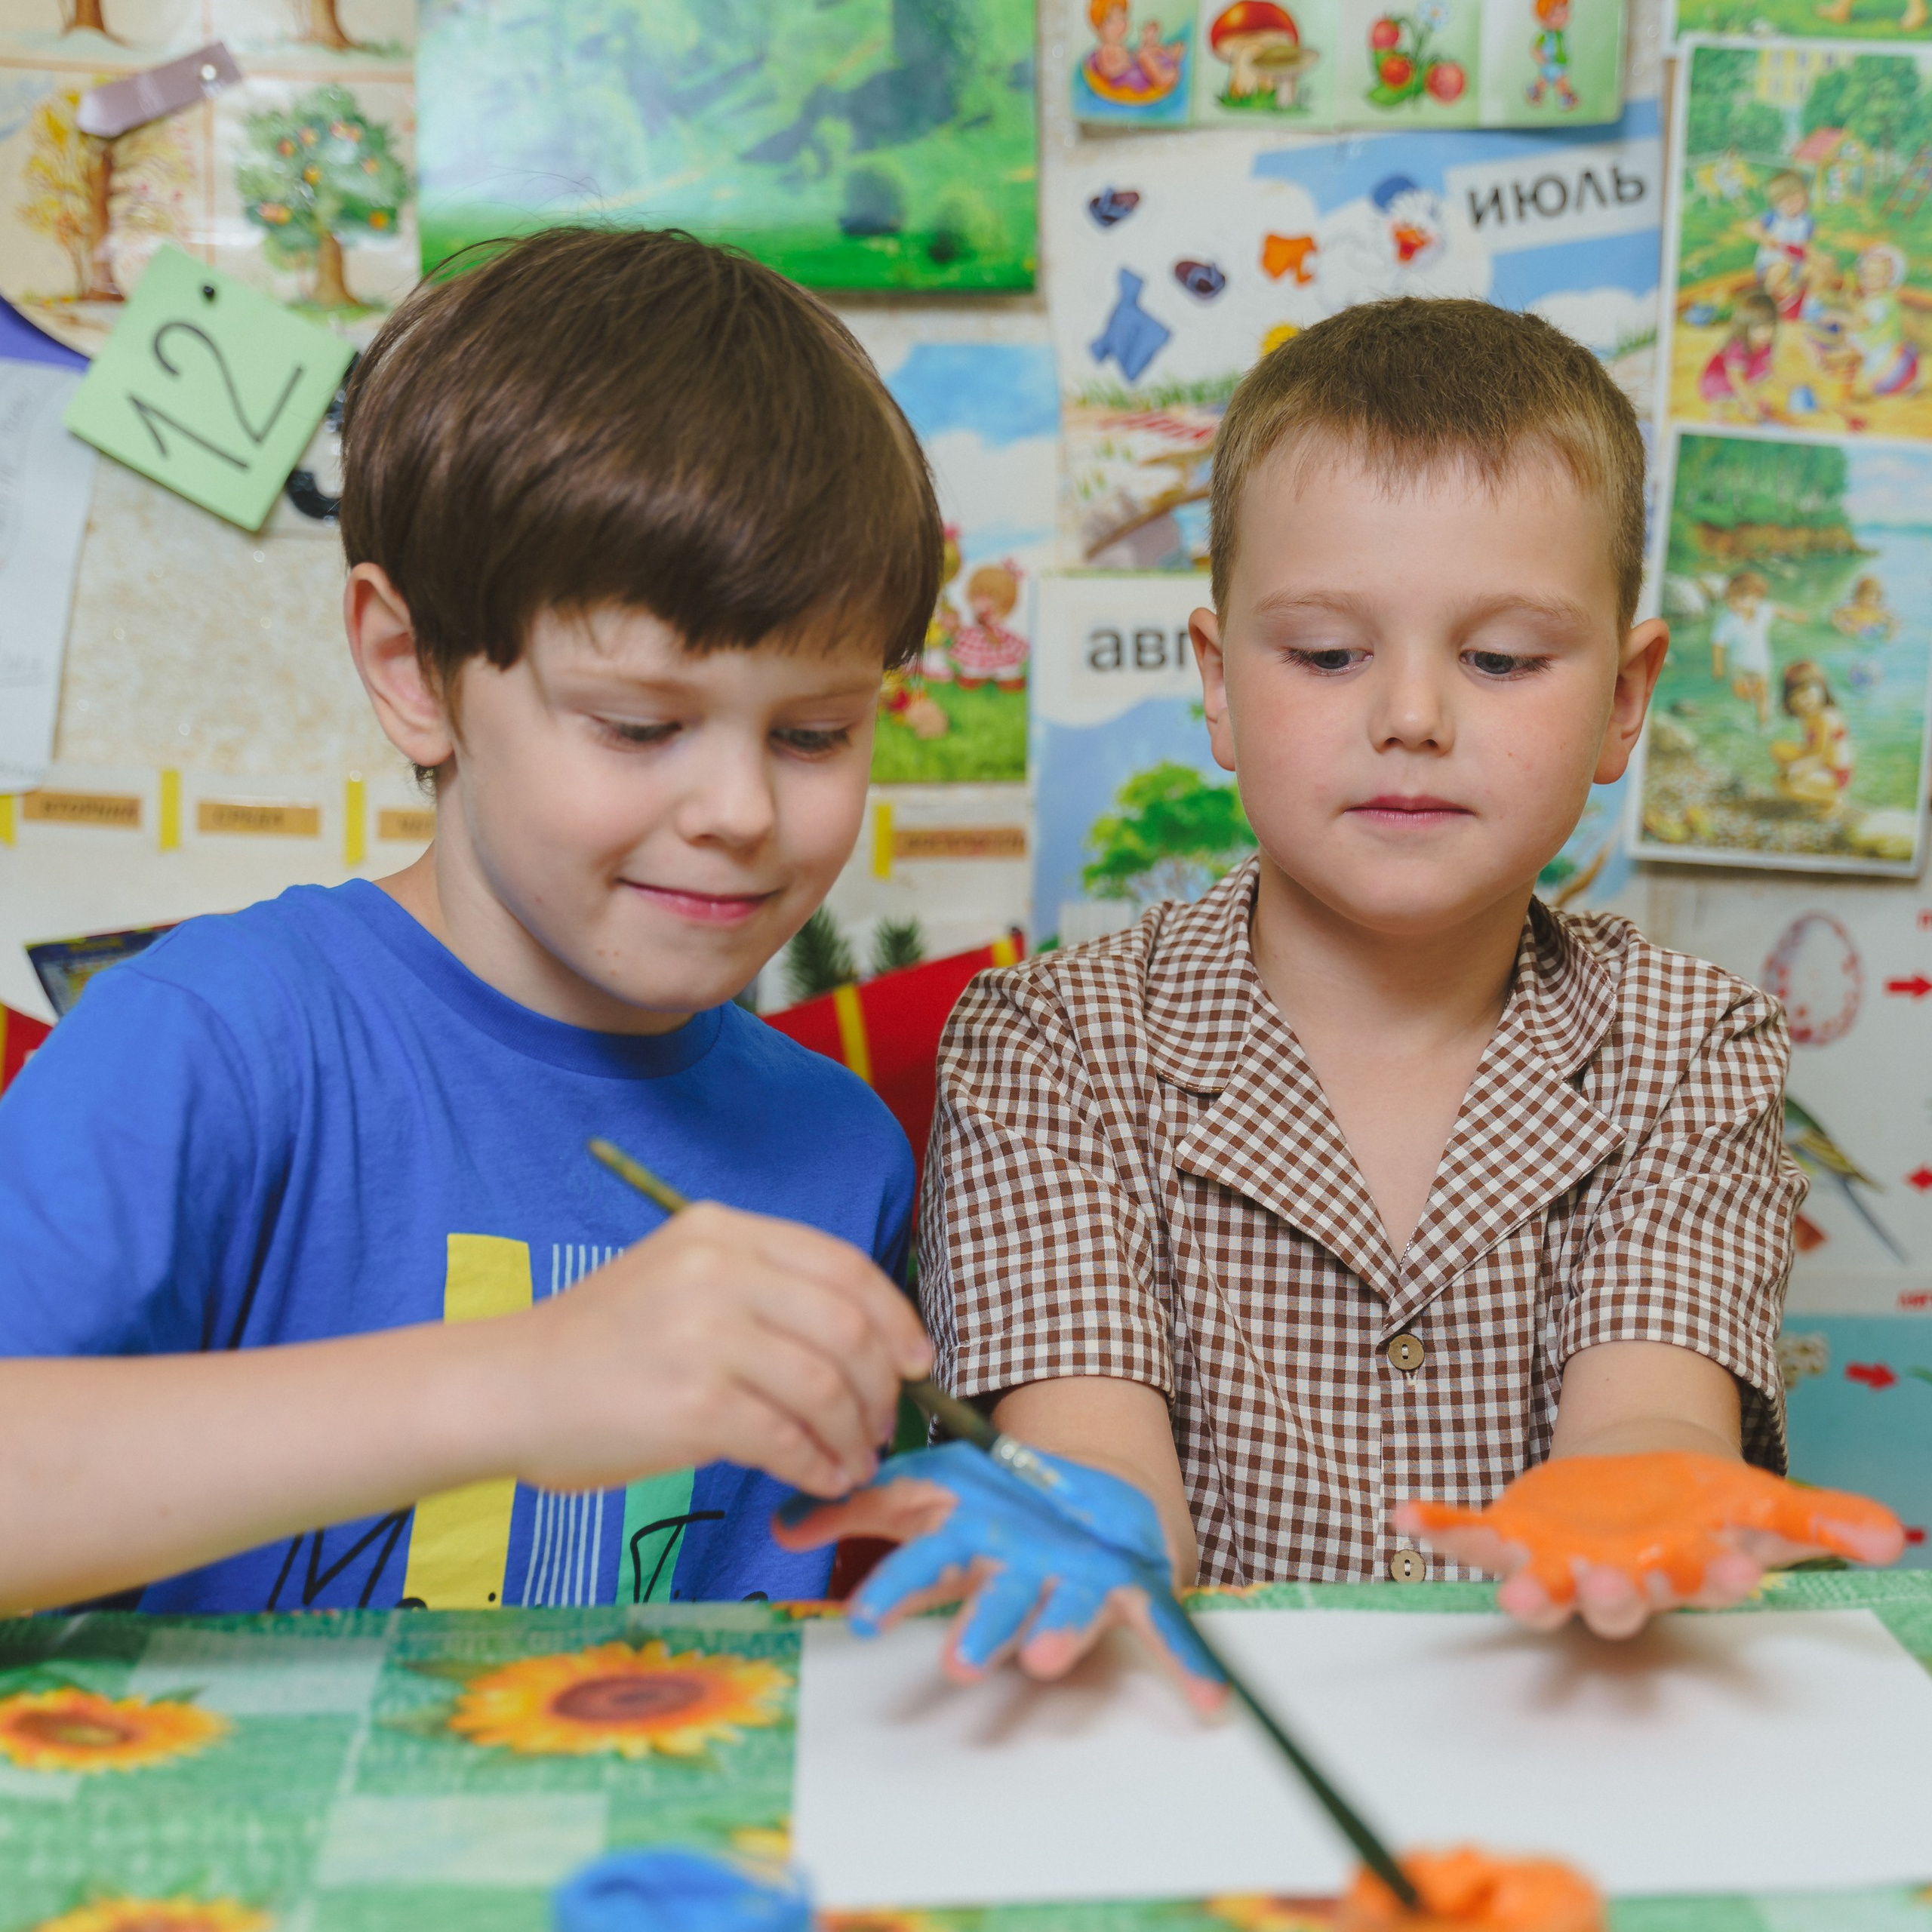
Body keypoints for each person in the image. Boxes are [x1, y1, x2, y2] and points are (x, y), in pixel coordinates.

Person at [782, 300, 1901, 1694]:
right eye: (1326, 655)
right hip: (1188, 1741)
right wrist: (1091, 1514)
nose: (1414, 716)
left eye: (1500, 659)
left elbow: (1649, 1420)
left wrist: (1641, 1496)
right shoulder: (1049, 1045)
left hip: (1562, 1727)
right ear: (1219, 688)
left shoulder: (1690, 1047)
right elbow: (1091, 1445)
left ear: (1626, 699)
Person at [0, 228, 939, 1617]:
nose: (741, 808)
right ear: (412, 670)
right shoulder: (214, 1043)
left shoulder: (838, 1149)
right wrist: (515, 1380)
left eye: (814, 734)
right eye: (638, 724)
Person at [1708, 569, 1793, 730]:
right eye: (1731, 599)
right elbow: (1718, 644)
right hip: (1738, 664)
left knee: (1763, 694)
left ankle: (1763, 723)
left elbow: (1778, 609)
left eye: (1741, 598)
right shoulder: (1728, 621)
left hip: (1761, 663)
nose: (1735, 603)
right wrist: (1718, 666)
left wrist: (1795, 616)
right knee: (1741, 693)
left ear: (1757, 599)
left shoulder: (1763, 612)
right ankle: (1748, 696)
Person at [1771, 659, 1854, 812]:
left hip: (1835, 774)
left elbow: (1818, 755)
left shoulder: (1825, 718)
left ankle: (1833, 798)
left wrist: (1798, 769)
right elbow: (1810, 749)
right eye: (1795, 695)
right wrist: (1796, 768)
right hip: (1820, 764)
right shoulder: (1809, 716)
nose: (1802, 700)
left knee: (1786, 785)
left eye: (1807, 691)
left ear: (1822, 687)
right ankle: (1815, 789)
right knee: (1777, 749)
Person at [1699, 289, 1780, 422]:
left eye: (1770, 326)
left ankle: (1745, 403)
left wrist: (1790, 385)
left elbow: (1770, 369)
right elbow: (1736, 378)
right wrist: (1752, 404)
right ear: (1745, 327)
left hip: (1742, 376)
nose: (1765, 333)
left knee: (1764, 373)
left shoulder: (1765, 344)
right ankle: (1717, 416)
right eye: (1758, 328)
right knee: (1723, 397)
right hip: (1717, 380)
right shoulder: (1738, 346)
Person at [1524, 0, 1577, 110]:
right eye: (1556, 14)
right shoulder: (1546, 35)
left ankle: (1535, 92)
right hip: (1551, 63)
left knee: (1544, 81)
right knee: (1561, 81)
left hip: (1560, 63)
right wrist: (1540, 57)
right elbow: (1535, 48)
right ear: (1545, 18)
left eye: (1565, 11)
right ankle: (1565, 98)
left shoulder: (1560, 34)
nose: (1563, 16)